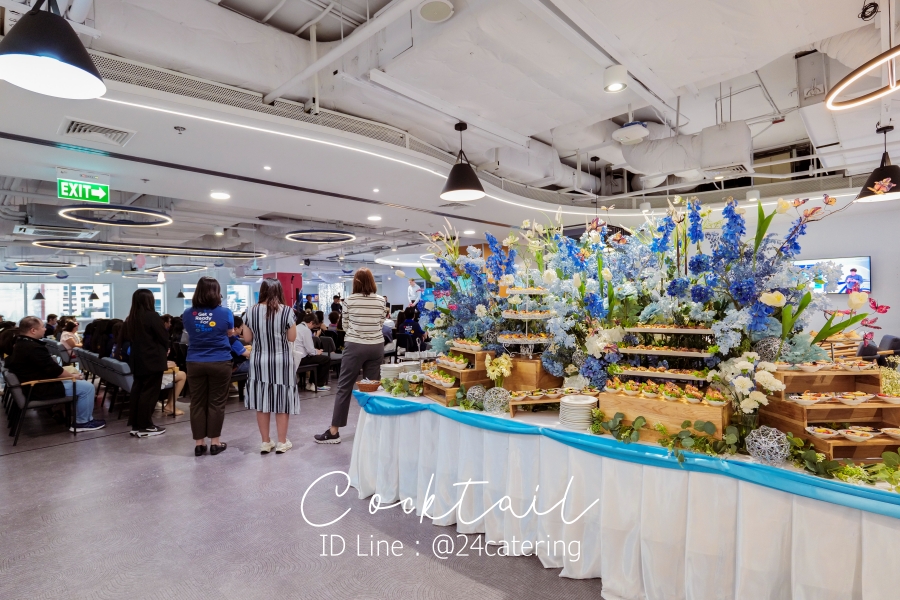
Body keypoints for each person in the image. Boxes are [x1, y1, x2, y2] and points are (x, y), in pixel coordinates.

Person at [315, 268, 384, 445]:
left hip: (355, 346)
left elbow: (344, 325)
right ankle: (372, 431)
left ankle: (334, 432)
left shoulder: (349, 301)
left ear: (355, 282)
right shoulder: (380, 300)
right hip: (376, 346)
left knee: (344, 387)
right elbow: (381, 323)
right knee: (372, 390)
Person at [7, 316, 105, 432]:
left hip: (33, 386)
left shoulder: (21, 344)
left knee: (79, 382)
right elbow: (54, 370)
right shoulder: (33, 348)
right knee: (87, 388)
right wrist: (72, 376)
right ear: (33, 330)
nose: (45, 329)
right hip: (40, 388)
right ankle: (83, 422)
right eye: (42, 327)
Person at [243, 278, 299, 454]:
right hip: (282, 362)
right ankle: (282, 442)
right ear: (279, 291)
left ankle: (265, 442)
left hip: (259, 362)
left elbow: (247, 338)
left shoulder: (250, 311)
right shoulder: (287, 311)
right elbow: (292, 337)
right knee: (282, 401)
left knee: (262, 402)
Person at [182, 277, 235, 456]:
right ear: (217, 292)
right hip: (220, 361)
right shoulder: (225, 313)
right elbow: (230, 334)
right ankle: (215, 443)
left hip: (194, 361)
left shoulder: (187, 314)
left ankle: (199, 444)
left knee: (197, 402)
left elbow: (190, 334)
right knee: (216, 403)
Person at [121, 289, 169, 437]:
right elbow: (163, 336)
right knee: (150, 393)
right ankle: (145, 426)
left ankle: (136, 425)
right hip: (153, 359)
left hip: (137, 360)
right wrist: (166, 348)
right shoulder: (152, 316)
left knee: (138, 391)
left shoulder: (131, 318)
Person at [293, 312, 331, 392]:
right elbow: (310, 351)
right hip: (301, 358)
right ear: (311, 322)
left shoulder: (297, 327)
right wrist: (317, 352)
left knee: (317, 358)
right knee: (326, 359)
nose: (312, 328)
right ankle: (318, 384)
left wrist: (315, 351)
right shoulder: (306, 330)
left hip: (295, 356)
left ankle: (311, 383)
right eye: (313, 326)